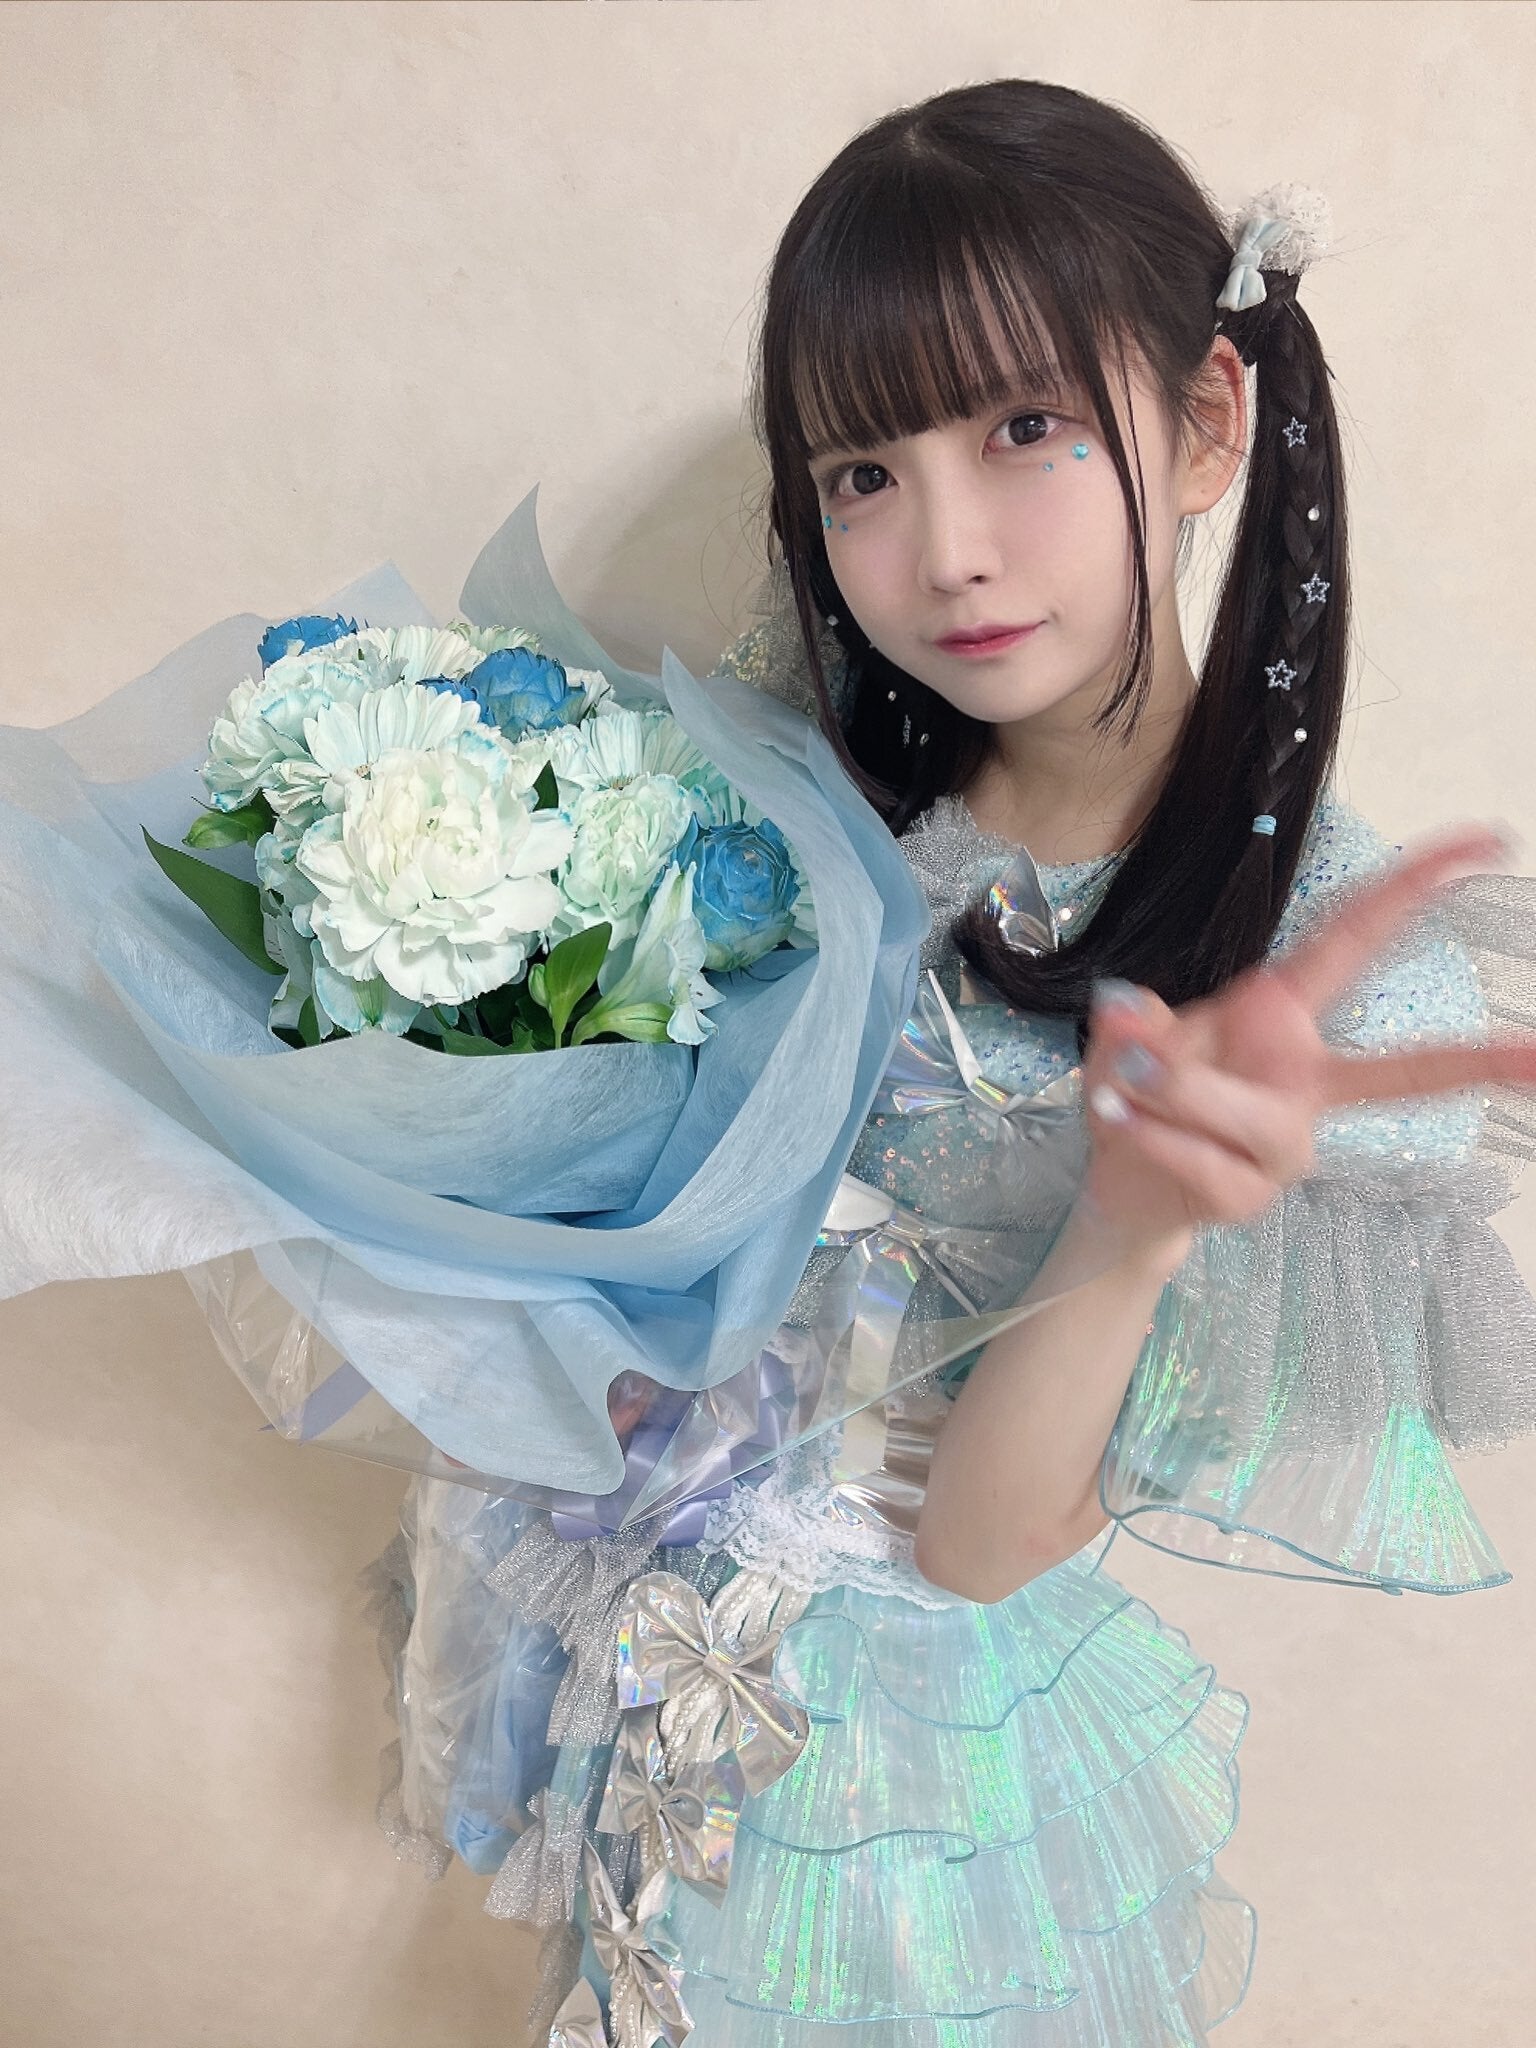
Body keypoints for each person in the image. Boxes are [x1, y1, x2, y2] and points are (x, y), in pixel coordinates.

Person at [366, 78, 1536, 2045]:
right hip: (632, 1657)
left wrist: (1136, 1216)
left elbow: (984, 1545)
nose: (946, 552)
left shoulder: (1298, 992)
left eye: (1024, 429)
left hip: (893, 1779)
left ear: (1209, 422)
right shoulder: (795, 801)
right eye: (863, 472)